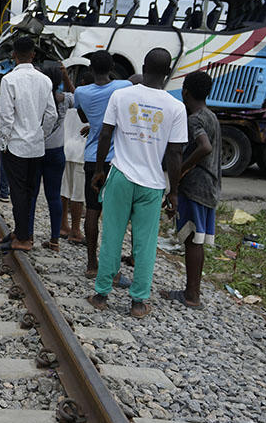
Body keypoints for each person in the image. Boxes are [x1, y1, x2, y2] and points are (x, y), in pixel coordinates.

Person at [87, 48, 187, 318]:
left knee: (112, 236)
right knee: (145, 244)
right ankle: (138, 303)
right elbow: (175, 153)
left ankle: (101, 295)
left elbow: (105, 134)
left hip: (120, 175)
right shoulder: (176, 107)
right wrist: (174, 192)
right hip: (152, 184)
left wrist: (99, 170)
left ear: (143, 67)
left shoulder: (121, 95)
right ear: (168, 73)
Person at [162, 71, 219, 309]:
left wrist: (181, 169)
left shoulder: (195, 119)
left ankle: (192, 295)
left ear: (185, 91)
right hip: (209, 187)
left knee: (192, 240)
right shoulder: (211, 116)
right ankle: (192, 291)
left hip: (195, 186)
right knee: (197, 239)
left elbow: (204, 147)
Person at [74, 50, 132, 277]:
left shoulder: (81, 92)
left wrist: (94, 124)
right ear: (112, 68)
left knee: (92, 211)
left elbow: (83, 117)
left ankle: (91, 264)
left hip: (92, 157)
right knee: (114, 216)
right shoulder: (123, 87)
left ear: (90, 69)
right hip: (117, 160)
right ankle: (111, 267)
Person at [0, 37, 56, 253]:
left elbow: (6, 116)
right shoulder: (45, 80)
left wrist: (4, 142)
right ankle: (23, 231)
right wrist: (41, 134)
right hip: (36, 146)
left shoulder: (9, 80)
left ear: (13, 54)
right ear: (33, 55)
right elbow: (51, 114)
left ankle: (22, 238)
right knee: (30, 191)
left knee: (18, 192)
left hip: (16, 145)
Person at [33, 65, 76, 252]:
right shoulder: (65, 99)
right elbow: (77, 96)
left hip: (36, 151)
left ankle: (27, 236)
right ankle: (54, 240)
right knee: (54, 196)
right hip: (57, 152)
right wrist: (66, 77)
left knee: (32, 195)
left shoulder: (37, 98)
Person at [60, 73, 92, 242]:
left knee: (64, 191)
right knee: (78, 195)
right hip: (81, 153)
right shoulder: (93, 102)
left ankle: (63, 225)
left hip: (65, 149)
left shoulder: (70, 100)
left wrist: (65, 76)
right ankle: (75, 230)